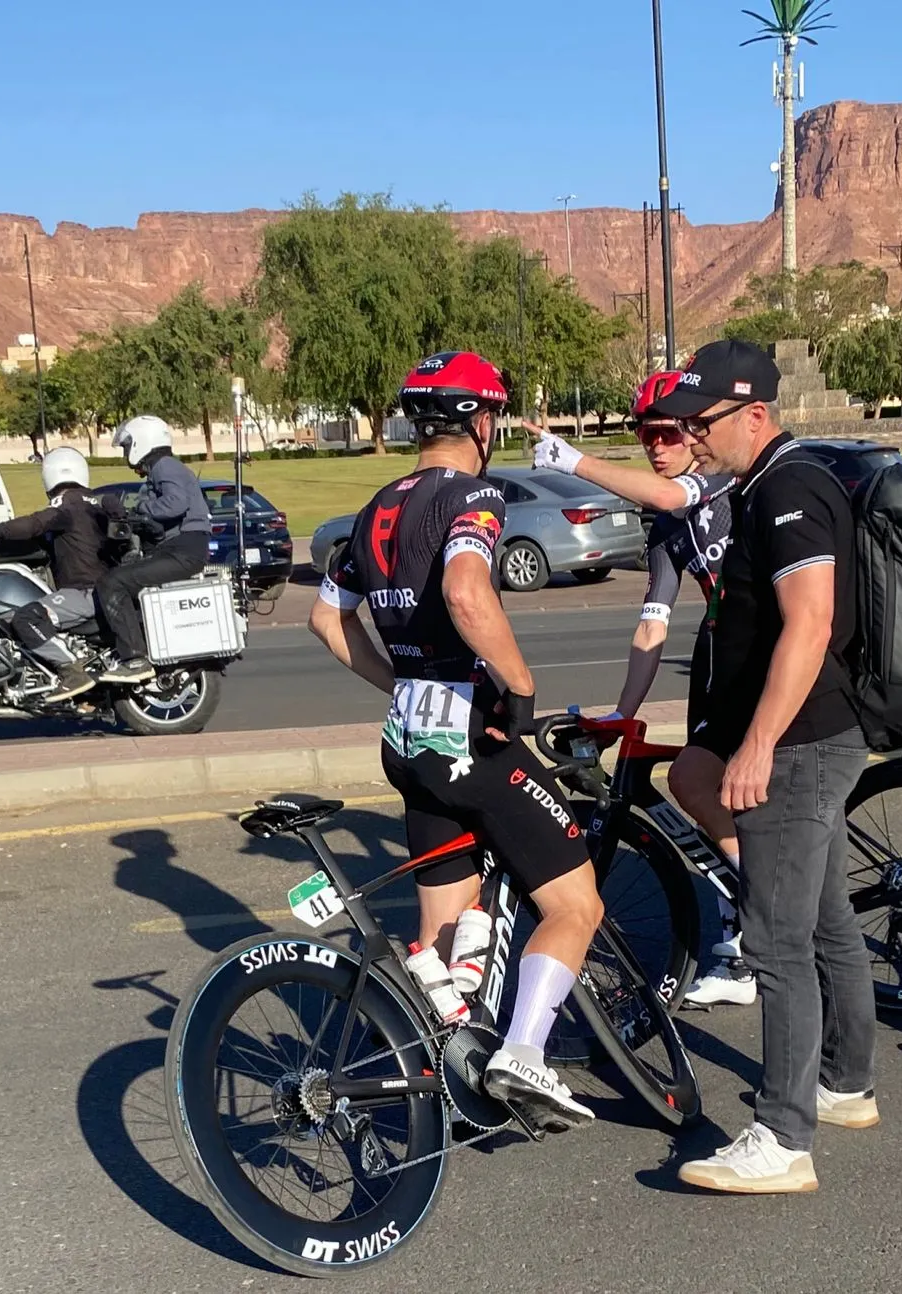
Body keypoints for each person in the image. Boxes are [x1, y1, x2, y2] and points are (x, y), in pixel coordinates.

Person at [309, 350, 605, 1131]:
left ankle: (450, 1069)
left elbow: (323, 620)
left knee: (443, 941)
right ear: (482, 421)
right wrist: (520, 687)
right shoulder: (473, 494)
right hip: (470, 733)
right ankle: (526, 1054)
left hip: (407, 737)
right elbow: (467, 591)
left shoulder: (374, 505)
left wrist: (398, 683)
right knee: (576, 905)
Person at [643, 340, 874, 1195]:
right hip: (810, 736)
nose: (691, 438)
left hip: (802, 743)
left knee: (777, 940)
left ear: (755, 415)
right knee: (825, 923)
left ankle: (782, 1138)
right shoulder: (762, 485)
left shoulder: (787, 488)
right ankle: (845, 1084)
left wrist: (757, 743)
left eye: (701, 423)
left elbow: (809, 625)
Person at [529, 373, 751, 1008]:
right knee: (703, 789)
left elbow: (667, 491)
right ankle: (748, 924)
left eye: (663, 433)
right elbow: (654, 620)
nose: (654, 445)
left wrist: (574, 460)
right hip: (722, 656)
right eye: (643, 435)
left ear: (692, 432)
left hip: (770, 659)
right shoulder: (666, 522)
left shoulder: (714, 478)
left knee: (727, 793)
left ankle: (769, 913)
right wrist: (624, 711)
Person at [0, 446, 112, 701]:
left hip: (85, 591)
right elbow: (40, 543)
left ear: (50, 475)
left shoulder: (67, 503)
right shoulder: (90, 503)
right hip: (100, 587)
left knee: (26, 618)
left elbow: (33, 524)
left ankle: (71, 671)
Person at [97, 415, 212, 684]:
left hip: (183, 550)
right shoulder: (163, 468)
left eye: (127, 446)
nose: (126, 453)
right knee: (125, 576)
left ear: (141, 442)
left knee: (112, 583)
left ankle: (134, 659)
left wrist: (138, 509)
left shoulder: (165, 466)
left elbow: (175, 503)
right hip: (180, 548)